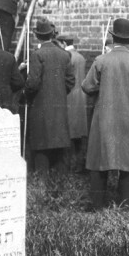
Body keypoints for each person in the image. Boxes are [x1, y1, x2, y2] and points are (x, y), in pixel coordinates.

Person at [82, 18, 129, 210]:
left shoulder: (101, 60)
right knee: (126, 165)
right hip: (128, 121)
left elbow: (87, 86)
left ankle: (97, 207)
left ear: (112, 38)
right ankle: (126, 207)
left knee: (99, 162)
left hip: (103, 120)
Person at [25, 18, 75, 173]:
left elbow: (33, 83)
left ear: (37, 36)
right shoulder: (65, 54)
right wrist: (58, 93)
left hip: (40, 110)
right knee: (59, 155)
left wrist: (25, 94)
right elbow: (70, 82)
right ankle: (61, 191)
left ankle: (42, 191)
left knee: (42, 154)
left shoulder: (37, 55)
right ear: (52, 34)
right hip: (59, 110)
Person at [59, 34, 88, 172]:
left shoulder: (66, 56)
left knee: (69, 132)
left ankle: (69, 168)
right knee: (80, 133)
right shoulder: (81, 57)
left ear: (63, 43)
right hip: (81, 97)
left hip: (69, 96)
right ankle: (80, 164)